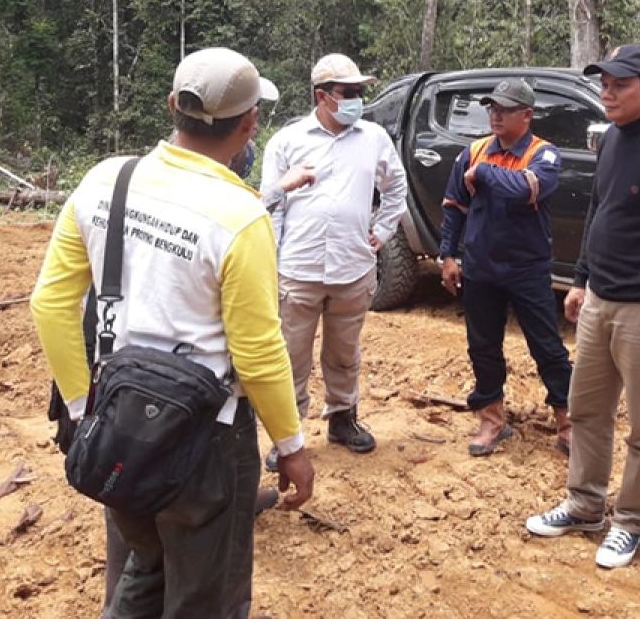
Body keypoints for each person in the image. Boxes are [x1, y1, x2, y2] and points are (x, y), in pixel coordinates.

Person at [31, 47, 315, 618]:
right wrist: (291, 446)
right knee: (205, 595)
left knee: (140, 563)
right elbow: (258, 353)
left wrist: (85, 410)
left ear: (172, 106)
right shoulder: (241, 217)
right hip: (208, 437)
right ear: (251, 122)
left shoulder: (107, 180)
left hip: (119, 418)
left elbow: (51, 303)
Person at [525, 44, 640, 569]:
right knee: (587, 410)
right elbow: (598, 211)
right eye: (604, 83)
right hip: (599, 302)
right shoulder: (611, 140)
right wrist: (581, 280)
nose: (607, 92)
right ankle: (585, 504)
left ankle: (630, 522)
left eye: (620, 85)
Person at [260, 53, 407, 462]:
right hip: (298, 269)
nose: (357, 99)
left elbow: (396, 188)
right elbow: (270, 204)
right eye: (349, 92)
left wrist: (380, 232)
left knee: (344, 351)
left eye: (360, 92)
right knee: (291, 355)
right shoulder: (287, 141)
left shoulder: (373, 138)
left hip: (352, 268)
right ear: (322, 96)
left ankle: (343, 419)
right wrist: (272, 261)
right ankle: (287, 437)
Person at [438, 78, 574, 457]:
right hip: (481, 267)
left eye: (504, 109)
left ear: (526, 115)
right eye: (492, 108)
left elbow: (526, 189)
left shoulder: (544, 154)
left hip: (527, 268)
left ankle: (567, 420)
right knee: (482, 346)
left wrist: (483, 175)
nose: (495, 115)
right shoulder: (475, 151)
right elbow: (454, 206)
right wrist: (448, 255)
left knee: (547, 345)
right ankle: (492, 417)